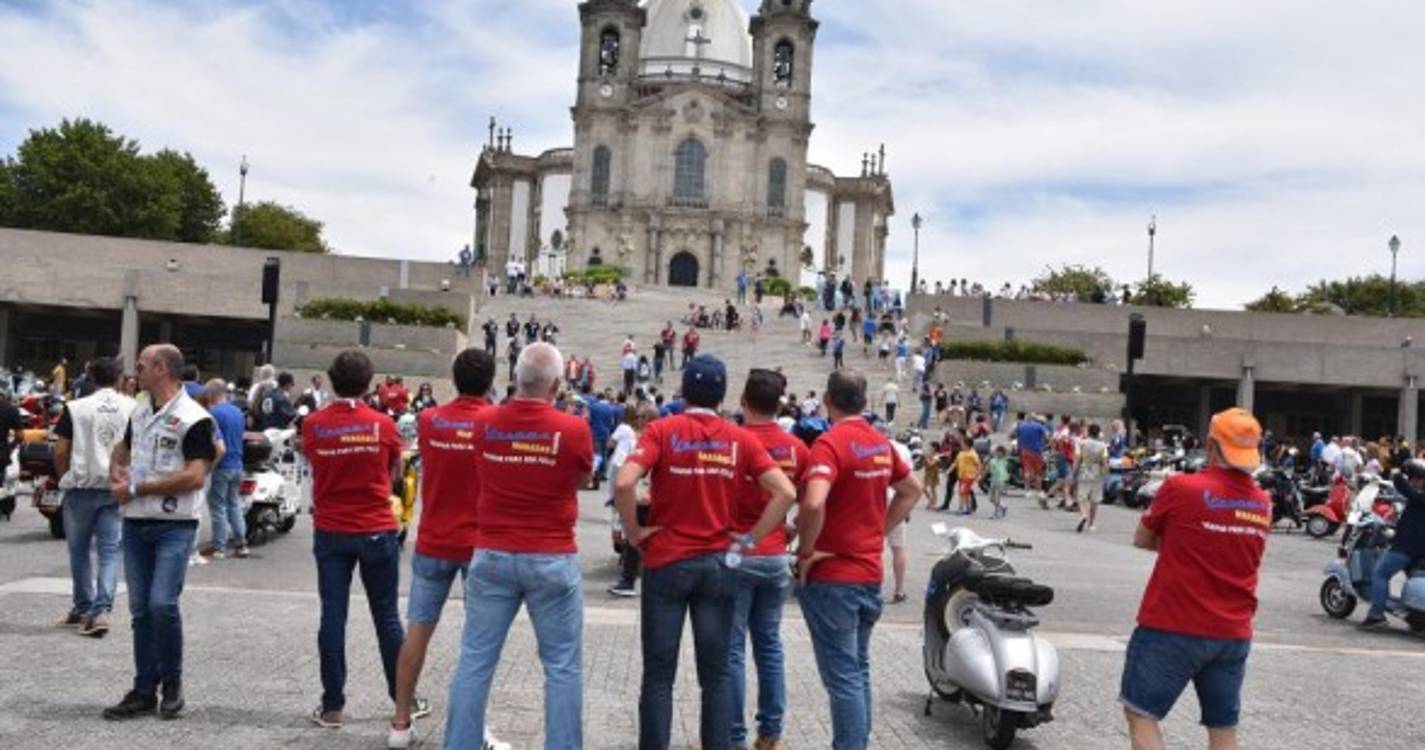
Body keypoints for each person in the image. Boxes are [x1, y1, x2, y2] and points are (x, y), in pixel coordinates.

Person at [614, 355, 796, 750]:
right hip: (718, 562)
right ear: (723, 394)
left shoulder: (662, 430)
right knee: (715, 676)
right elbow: (786, 492)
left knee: (659, 674)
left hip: (667, 560)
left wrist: (634, 533)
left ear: (684, 390)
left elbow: (624, 482)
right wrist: (748, 539)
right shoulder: (740, 438)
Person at [444, 343, 593, 749]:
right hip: (550, 553)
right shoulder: (574, 429)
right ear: (557, 385)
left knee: (476, 659)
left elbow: (483, 468)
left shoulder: (484, 423)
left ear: (515, 379)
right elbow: (581, 479)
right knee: (562, 666)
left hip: (492, 551)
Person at [1121, 408, 1270, 750]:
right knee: (1223, 730)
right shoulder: (1262, 502)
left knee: (1141, 713)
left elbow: (1142, 539)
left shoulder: (1181, 488)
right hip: (1232, 633)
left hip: (1172, 624)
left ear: (1211, 444)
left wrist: (1184, 545)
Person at [796, 369, 921, 750]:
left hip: (834, 575)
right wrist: (878, 532)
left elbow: (814, 501)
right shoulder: (880, 443)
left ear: (828, 401)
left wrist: (805, 549)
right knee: (857, 668)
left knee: (843, 677)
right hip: (868, 573)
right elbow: (911, 490)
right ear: (865, 402)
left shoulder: (830, 444)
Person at [384, 350, 500, 748]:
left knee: (417, 629)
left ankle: (400, 723)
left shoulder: (431, 420)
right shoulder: (494, 423)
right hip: (479, 539)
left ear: (453, 377)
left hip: (434, 536)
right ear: (489, 381)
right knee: (478, 642)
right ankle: (473, 728)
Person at [102, 345, 218, 721]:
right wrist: (115, 471)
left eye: (141, 366)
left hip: (174, 524)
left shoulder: (193, 418)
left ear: (162, 368)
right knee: (140, 610)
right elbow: (123, 449)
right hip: (136, 521)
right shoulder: (138, 412)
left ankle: (172, 683)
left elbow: (195, 475)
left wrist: (137, 488)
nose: (135, 372)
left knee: (161, 604)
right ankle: (143, 688)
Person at [302, 351, 407, 730]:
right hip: (376, 528)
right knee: (387, 617)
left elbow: (313, 463)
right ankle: (403, 701)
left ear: (331, 380)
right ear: (368, 383)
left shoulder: (313, 424)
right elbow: (395, 471)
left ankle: (332, 706)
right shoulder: (383, 424)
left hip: (331, 530)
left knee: (333, 616)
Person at [727, 369, 808, 750]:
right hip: (776, 555)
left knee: (731, 652)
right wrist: (792, 529)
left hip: (737, 554)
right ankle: (770, 734)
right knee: (770, 646)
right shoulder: (797, 448)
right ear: (780, 404)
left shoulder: (733, 442)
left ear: (743, 400)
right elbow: (810, 501)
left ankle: (730, 736)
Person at [53, 357, 136, 637]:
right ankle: (101, 610)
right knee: (109, 552)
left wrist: (65, 476)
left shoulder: (76, 408)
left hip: (81, 487)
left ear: (90, 378)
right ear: (119, 379)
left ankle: (82, 606)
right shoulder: (133, 408)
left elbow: (61, 450)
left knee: (79, 552)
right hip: (115, 488)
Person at [1361, 458, 1425, 629]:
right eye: (1412, 478)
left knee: (1380, 573)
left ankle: (1376, 616)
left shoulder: (1420, 496)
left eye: (1416, 478)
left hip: (1408, 547)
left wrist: (1397, 474)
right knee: (1413, 578)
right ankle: (1416, 618)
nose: (1413, 481)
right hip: (1419, 551)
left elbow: (1407, 491)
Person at [200, 380, 248, 559]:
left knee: (217, 506)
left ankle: (219, 546)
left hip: (221, 465)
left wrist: (209, 467)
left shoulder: (213, 414)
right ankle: (241, 543)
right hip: (237, 463)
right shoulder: (238, 412)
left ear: (212, 394)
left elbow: (215, 443)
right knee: (234, 504)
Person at [608, 405, 652, 597]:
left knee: (634, 537)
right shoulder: (637, 438)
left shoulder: (649, 439)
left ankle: (628, 580)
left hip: (645, 497)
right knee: (632, 538)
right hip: (641, 496)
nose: (639, 419)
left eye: (643, 416)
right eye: (639, 416)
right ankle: (628, 579)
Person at [1074, 424, 1109, 533]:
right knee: (1095, 499)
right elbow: (1104, 462)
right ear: (1098, 433)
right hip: (1097, 472)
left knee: (1082, 496)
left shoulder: (1081, 443)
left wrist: (1074, 472)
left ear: (1088, 432)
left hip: (1084, 471)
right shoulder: (1103, 446)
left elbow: (1077, 458)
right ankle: (1091, 524)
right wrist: (1106, 475)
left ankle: (1084, 514)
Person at [1014, 415, 1050, 508]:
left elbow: (1015, 436)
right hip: (1037, 451)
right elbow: (1047, 437)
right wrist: (1042, 442)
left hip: (1024, 451)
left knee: (1027, 470)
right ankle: (1038, 490)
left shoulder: (1021, 426)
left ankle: (1027, 490)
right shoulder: (1039, 426)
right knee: (1039, 473)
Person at [954, 439, 981, 515]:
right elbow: (956, 463)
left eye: (962, 443)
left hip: (969, 476)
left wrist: (978, 474)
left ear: (966, 444)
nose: (961, 445)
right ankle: (968, 508)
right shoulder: (961, 453)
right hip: (961, 476)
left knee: (962, 492)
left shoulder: (972, 454)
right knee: (965, 493)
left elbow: (978, 464)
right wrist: (949, 470)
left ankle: (961, 508)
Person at [987, 445, 1011, 519]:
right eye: (997, 452)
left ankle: (996, 513)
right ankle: (1003, 507)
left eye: (1000, 452)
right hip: (993, 480)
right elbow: (989, 469)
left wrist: (1002, 447)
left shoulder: (1004, 460)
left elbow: (1008, 452)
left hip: (1001, 481)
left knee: (997, 498)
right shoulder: (992, 460)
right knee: (991, 498)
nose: (998, 453)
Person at [922, 442, 942, 510]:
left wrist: (926, 458)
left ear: (935, 448)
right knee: (923, 488)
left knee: (933, 489)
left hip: (933, 474)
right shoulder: (929, 454)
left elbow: (931, 464)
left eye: (931, 447)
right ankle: (931, 501)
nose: (929, 448)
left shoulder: (937, 455)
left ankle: (933, 503)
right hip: (927, 473)